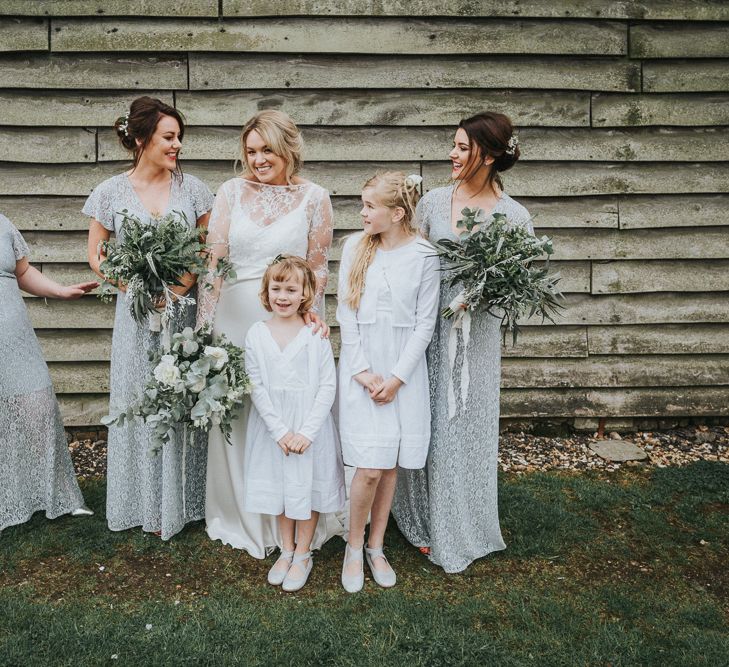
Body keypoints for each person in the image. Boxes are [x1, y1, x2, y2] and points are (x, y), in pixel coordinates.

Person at [392, 112, 533, 573]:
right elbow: (410, 261)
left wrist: (484, 294)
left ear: (488, 155)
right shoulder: (432, 202)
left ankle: (461, 523)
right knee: (425, 419)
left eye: (461, 147)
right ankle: (418, 516)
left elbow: (521, 283)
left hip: (476, 339)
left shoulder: (514, 217)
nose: (452, 155)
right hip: (429, 329)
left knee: (463, 427)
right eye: (451, 146)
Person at [196, 109, 340, 556]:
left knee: (286, 406)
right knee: (239, 415)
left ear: (288, 148)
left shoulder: (315, 197)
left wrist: (314, 315)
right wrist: (203, 328)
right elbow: (214, 263)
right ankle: (243, 512)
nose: (258, 159)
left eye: (267, 150)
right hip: (234, 317)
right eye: (251, 151)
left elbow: (317, 267)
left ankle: (298, 514)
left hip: (289, 318)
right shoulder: (230, 192)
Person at [84, 96, 214, 540]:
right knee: (138, 400)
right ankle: (139, 502)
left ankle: (186, 502)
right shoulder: (109, 192)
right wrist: (136, 287)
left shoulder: (194, 188)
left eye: (179, 137)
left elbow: (206, 249)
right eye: (168, 137)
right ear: (141, 139)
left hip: (183, 314)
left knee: (182, 396)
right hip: (136, 316)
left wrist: (176, 292)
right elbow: (97, 256)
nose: (177, 145)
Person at [337, 172, 440, 592]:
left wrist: (397, 379)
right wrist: (361, 371)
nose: (362, 213)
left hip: (403, 375)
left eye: (369, 206)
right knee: (369, 468)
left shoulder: (424, 256)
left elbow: (424, 324)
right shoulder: (354, 248)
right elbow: (346, 313)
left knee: (389, 465)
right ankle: (353, 545)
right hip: (363, 370)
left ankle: (376, 545)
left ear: (397, 213)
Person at [243, 256, 344, 591]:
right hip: (275, 429)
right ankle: (285, 550)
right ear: (266, 291)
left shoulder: (314, 333)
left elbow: (328, 385)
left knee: (307, 488)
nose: (282, 296)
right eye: (276, 288)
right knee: (282, 490)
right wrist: (281, 431)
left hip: (308, 428)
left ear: (304, 294)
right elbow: (255, 385)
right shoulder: (257, 334)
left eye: (290, 289)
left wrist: (306, 432)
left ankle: (303, 552)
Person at [1, 213, 97, 533]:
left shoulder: (2, 223)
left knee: (38, 406)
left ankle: (57, 495)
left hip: (16, 341)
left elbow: (23, 271)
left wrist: (61, 291)